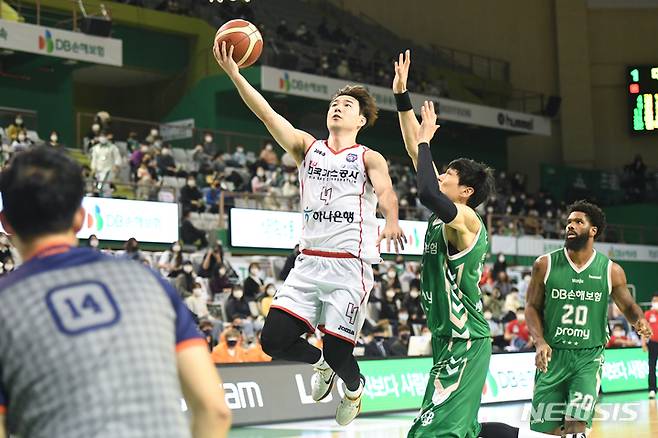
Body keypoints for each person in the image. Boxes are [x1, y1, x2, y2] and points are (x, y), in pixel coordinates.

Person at [214, 40, 405, 426]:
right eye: (334, 102)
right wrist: (236, 75)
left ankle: (353, 388)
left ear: (361, 121)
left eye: (347, 105)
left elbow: (385, 191)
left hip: (349, 269)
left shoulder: (368, 156)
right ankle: (319, 363)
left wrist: (391, 219)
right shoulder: (308, 147)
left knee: (340, 353)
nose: (337, 106)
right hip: (308, 264)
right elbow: (268, 115)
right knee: (272, 341)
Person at [0, 147, 230, 438]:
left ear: (6, 222)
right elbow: (215, 410)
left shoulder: (6, 303)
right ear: (80, 218)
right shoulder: (149, 282)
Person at [394, 50, 544, 438]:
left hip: (465, 339)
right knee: (464, 430)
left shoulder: (465, 219)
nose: (439, 176)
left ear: (465, 190)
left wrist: (427, 141)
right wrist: (401, 97)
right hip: (448, 338)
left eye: (448, 174)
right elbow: (416, 151)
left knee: (432, 433)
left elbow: (426, 188)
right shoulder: (451, 210)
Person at [526, 200, 652, 437]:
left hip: (588, 358)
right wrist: (539, 340)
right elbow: (531, 306)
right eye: (569, 222)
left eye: (578, 222)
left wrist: (639, 320)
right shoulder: (545, 264)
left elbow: (627, 305)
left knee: (577, 428)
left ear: (593, 230)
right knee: (546, 432)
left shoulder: (610, 269)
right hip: (553, 356)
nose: (570, 226)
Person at [643, 294, 658, 399]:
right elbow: (644, 329)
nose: (655, 302)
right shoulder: (648, 314)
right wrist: (643, 343)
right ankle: (652, 389)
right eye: (654, 300)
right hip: (652, 343)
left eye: (657, 300)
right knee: (651, 367)